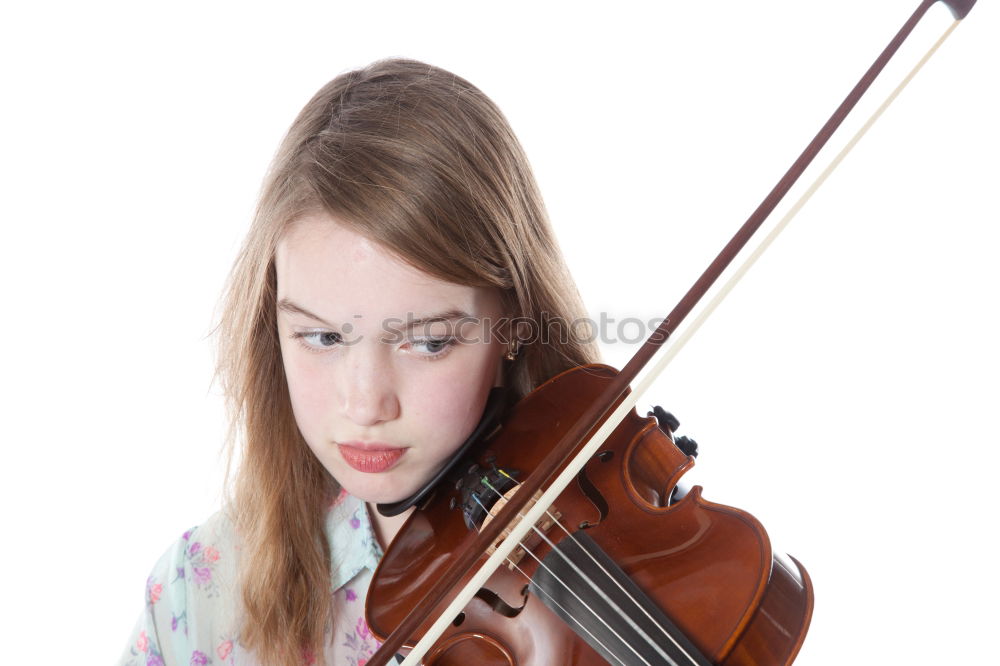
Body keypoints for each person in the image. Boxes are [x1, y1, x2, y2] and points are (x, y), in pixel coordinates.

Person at [119, 57, 599, 666]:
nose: (366, 405)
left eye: (427, 342)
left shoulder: (631, 552)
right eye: (322, 339)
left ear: (512, 324)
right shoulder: (197, 593)